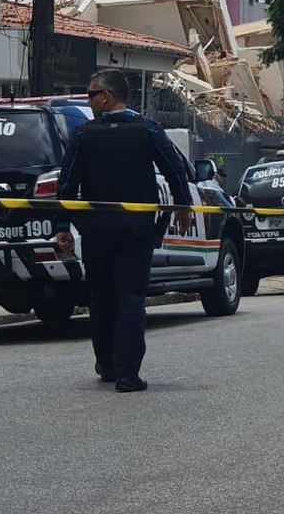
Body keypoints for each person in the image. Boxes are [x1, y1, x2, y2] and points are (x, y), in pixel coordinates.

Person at [54, 69, 193, 392]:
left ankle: (107, 365)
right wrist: (183, 205)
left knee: (101, 297)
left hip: (96, 230)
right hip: (136, 229)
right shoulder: (147, 130)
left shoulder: (84, 135)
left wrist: (63, 225)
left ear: (107, 96)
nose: (88, 102)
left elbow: (67, 185)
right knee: (131, 297)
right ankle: (128, 374)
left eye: (90, 95)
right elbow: (174, 170)